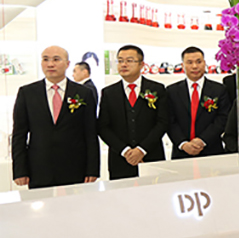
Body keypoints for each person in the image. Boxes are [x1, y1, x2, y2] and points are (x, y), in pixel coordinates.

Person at [12, 45, 100, 189]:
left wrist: (92, 169)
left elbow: (90, 133)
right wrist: (20, 170)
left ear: (67, 64)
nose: (50, 64)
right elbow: (19, 134)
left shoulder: (84, 93)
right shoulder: (27, 93)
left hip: (75, 167)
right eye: (45, 59)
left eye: (56, 59)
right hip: (38, 168)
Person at [98, 45, 168, 180]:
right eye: (120, 61)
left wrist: (141, 150)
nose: (123, 64)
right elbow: (103, 127)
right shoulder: (109, 93)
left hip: (151, 156)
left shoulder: (157, 89)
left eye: (129, 61)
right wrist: (126, 151)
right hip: (120, 159)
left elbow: (163, 123)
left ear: (141, 64)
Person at [167, 47, 231, 159]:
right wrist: (183, 144)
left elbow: (223, 118)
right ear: (182, 65)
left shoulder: (219, 90)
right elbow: (169, 121)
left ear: (204, 63)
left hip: (212, 151)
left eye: (198, 62)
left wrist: (202, 140)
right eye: (189, 62)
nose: (195, 66)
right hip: (181, 152)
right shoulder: (171, 91)